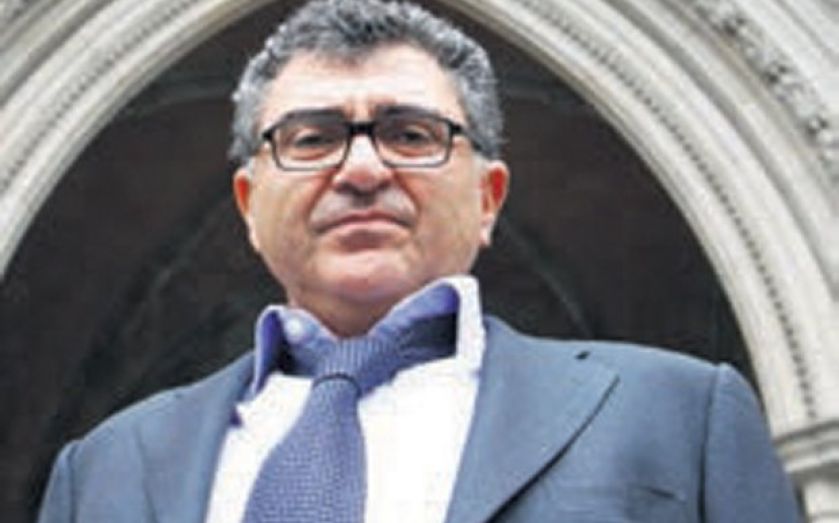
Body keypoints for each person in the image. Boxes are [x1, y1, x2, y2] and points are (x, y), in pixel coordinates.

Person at [37, 0, 801, 521]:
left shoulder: (678, 417)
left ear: (487, 197)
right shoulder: (104, 469)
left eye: (410, 134)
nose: (361, 168)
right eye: (311, 138)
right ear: (248, 205)